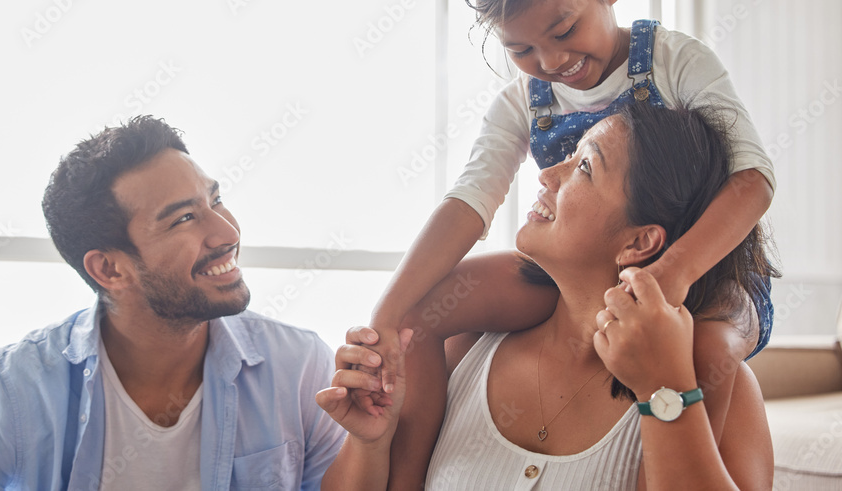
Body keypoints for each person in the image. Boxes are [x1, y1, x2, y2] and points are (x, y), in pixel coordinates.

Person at [368, 0, 776, 441]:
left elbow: (753, 181)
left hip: (705, 281)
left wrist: (669, 276)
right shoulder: (521, 102)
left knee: (706, 353)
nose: (551, 62)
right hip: (577, 282)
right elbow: (469, 202)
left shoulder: (677, 62)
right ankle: (413, 470)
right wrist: (386, 312)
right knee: (421, 312)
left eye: (563, 31)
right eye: (522, 49)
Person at [318, 103, 778, 489]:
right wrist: (369, 444)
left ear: (639, 243)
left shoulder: (718, 391)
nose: (548, 173)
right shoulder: (465, 348)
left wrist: (669, 394)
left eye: (583, 166)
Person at [0, 116, 344, 490]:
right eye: (184, 218)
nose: (228, 233)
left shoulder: (300, 369)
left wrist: (373, 440)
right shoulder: (16, 391)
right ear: (110, 270)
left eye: (215, 200)